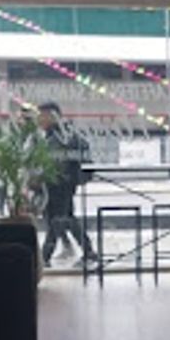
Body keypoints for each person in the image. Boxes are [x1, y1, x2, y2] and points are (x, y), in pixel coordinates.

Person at [37, 102, 97, 268]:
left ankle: (44, 256)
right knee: (66, 218)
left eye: (42, 116)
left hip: (60, 184)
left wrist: (45, 177)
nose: (39, 120)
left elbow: (57, 162)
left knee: (58, 219)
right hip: (61, 183)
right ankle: (88, 252)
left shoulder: (59, 135)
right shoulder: (57, 133)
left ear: (52, 116)